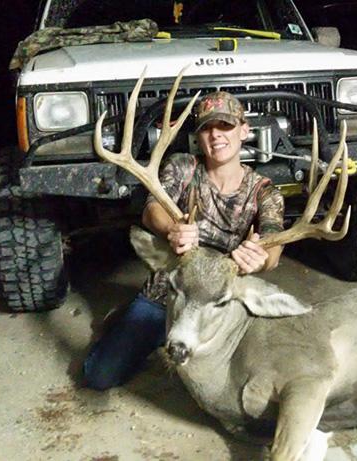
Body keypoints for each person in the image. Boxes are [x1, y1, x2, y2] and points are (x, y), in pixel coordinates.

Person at [83, 91, 285, 390]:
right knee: (99, 376)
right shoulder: (183, 168)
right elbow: (151, 209)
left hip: (221, 308)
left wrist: (261, 257)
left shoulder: (265, 192)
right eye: (206, 128)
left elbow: (274, 243)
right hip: (167, 296)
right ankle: (129, 323)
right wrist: (171, 228)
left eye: (225, 126)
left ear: (244, 130)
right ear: (198, 136)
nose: (215, 135)